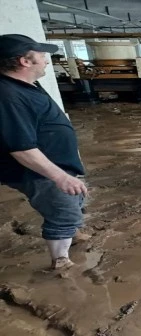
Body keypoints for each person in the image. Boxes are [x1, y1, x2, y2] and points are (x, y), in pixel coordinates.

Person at [0, 34, 88, 270]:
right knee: (63, 210)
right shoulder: (8, 96)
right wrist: (59, 176)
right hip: (40, 171)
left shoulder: (26, 86)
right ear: (24, 61)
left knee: (73, 198)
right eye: (41, 54)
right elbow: (20, 147)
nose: (47, 59)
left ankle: (73, 233)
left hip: (56, 163)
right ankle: (61, 262)